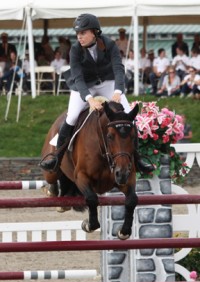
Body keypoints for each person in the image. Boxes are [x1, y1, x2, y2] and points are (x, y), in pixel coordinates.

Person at [40, 13, 154, 174]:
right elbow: (78, 77)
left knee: (128, 114)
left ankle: (138, 158)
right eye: (78, 33)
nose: (79, 37)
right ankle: (57, 157)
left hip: (107, 82)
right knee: (72, 116)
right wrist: (89, 99)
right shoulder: (75, 50)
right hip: (84, 86)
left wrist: (117, 91)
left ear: (94, 32)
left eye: (83, 33)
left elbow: (118, 69)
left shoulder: (109, 44)